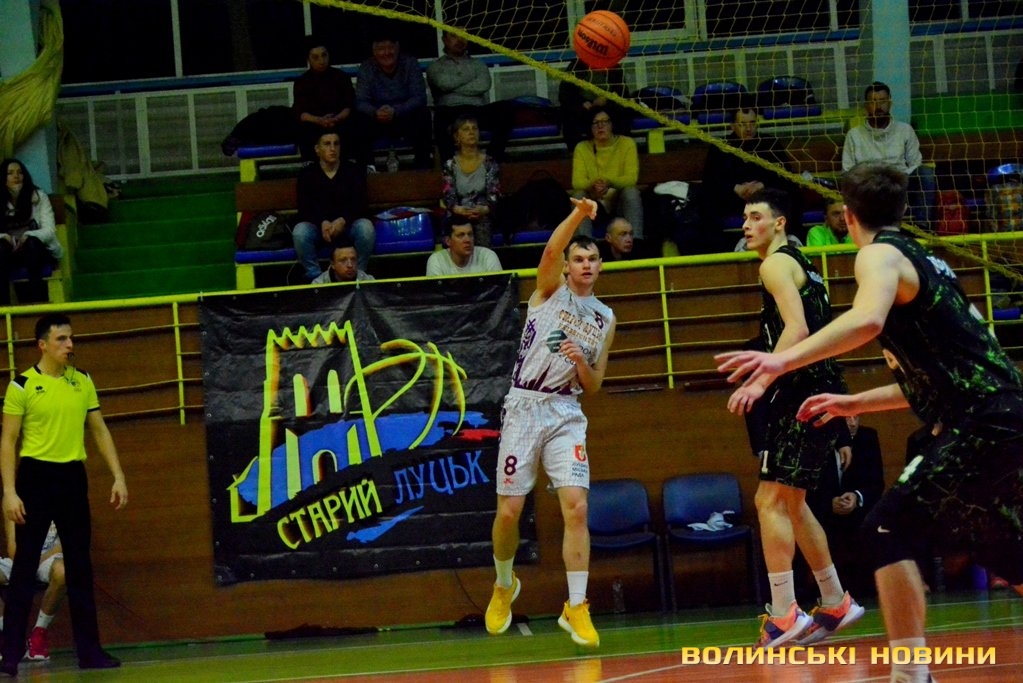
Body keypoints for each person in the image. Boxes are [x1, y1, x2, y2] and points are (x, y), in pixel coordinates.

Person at [717, 162, 1023, 683]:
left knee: (885, 528)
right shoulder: (924, 260)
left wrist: (778, 362)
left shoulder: (878, 254)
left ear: (849, 216)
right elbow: (932, 382)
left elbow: (866, 320)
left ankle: (910, 673)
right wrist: (852, 402)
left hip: (983, 419)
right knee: (1003, 550)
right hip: (999, 412)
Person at [724, 188, 864, 649]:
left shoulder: (774, 264)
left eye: (756, 216)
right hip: (819, 387)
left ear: (779, 223)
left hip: (799, 392)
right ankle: (835, 600)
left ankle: (784, 613)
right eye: (744, 217)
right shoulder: (805, 264)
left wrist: (761, 380)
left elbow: (798, 328)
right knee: (793, 502)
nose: (747, 225)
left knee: (769, 501)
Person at [485, 197, 616, 649]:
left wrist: (581, 362)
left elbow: (594, 384)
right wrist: (579, 214)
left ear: (600, 266)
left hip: (565, 412)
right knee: (509, 512)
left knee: (576, 507)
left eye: (592, 259)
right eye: (578, 259)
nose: (585, 265)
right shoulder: (547, 291)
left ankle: (576, 605)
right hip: (524, 406)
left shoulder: (605, 318)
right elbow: (548, 251)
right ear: (567, 266)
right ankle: (505, 583)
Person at [0, 313, 128, 675]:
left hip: (72, 476)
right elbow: (8, 441)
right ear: (42, 345)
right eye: (61, 339)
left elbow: (99, 429)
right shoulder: (22, 386)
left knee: (79, 565)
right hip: (35, 477)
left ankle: (90, 652)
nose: (69, 345)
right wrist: (9, 491)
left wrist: (118, 475)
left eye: (71, 338)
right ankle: (10, 655)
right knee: (24, 567)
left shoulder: (82, 380)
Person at [804, 416, 885, 600]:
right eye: (847, 418)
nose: (853, 423)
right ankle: (820, 589)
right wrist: (829, 503)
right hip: (822, 511)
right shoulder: (815, 440)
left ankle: (868, 586)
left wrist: (857, 496)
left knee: (874, 522)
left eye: (856, 416)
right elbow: (804, 489)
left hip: (859, 510)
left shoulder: (868, 437)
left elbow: (876, 483)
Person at [701, 106, 803, 250]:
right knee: (707, 201)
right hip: (734, 200)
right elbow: (711, 180)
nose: (748, 128)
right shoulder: (720, 147)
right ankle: (718, 250)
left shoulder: (770, 143)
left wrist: (762, 186)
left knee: (791, 193)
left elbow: (786, 175)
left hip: (767, 198)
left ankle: (790, 239)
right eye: (743, 124)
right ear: (732, 126)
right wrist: (735, 188)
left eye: (752, 123)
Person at [842, 82, 936, 230]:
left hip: (900, 185)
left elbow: (915, 163)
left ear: (890, 103)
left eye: (883, 101)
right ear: (866, 106)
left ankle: (922, 228)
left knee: (926, 173)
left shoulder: (905, 130)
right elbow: (847, 170)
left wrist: (896, 178)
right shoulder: (854, 135)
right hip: (869, 188)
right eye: (873, 101)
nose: (878, 106)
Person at [292, 132, 375, 282]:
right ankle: (316, 277)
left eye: (336, 144)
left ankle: (359, 274)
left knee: (366, 228)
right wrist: (322, 222)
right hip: (320, 229)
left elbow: (360, 204)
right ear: (317, 149)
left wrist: (343, 220)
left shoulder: (353, 170)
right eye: (327, 144)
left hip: (348, 226)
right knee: (300, 232)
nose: (332, 148)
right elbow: (305, 208)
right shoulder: (307, 174)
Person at [426, 30, 515, 163]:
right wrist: (471, 77)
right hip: (450, 111)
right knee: (440, 119)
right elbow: (443, 84)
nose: (460, 39)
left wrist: (453, 87)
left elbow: (483, 85)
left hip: (477, 110)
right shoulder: (435, 66)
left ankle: (491, 161)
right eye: (454, 35)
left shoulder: (478, 64)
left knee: (506, 108)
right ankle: (450, 167)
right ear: (444, 40)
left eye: (463, 35)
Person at [353, 32, 433, 170]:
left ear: (397, 47)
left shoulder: (410, 63)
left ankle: (422, 169)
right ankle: (368, 170)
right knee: (359, 120)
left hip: (404, 116)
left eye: (390, 48)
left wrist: (396, 111)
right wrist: (375, 112)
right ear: (374, 51)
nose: (386, 53)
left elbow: (419, 97)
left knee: (423, 115)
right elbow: (360, 101)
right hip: (377, 119)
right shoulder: (366, 68)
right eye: (381, 49)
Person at [571, 108, 643, 240]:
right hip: (594, 207)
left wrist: (608, 182)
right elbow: (577, 182)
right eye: (595, 123)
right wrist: (595, 183)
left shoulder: (627, 144)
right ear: (590, 127)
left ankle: (636, 242)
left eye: (605, 122)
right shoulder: (582, 147)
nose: (600, 126)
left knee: (631, 193)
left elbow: (631, 179)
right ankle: (583, 245)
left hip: (618, 203)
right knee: (579, 195)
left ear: (612, 124)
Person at [0, 520, 67, 661]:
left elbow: (68, 543)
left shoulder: (65, 505)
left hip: (49, 559)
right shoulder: (13, 505)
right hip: (19, 561)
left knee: (63, 572)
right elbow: (12, 546)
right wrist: (27, 564)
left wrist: (36, 561)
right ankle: (5, 631)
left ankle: (38, 633)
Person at [1, 159, 64, 305]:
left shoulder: (39, 197)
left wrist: (28, 235)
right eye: (10, 173)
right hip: (8, 253)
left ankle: (36, 303)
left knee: (32, 244)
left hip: (36, 251)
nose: (16, 176)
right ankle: (3, 307)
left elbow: (49, 230)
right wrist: (4, 237)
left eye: (20, 172)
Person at [292, 36, 357, 161]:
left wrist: (337, 119)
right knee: (302, 129)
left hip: (339, 121)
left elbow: (349, 105)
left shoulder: (341, 77)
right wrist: (319, 120)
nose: (321, 61)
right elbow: (300, 113)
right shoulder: (302, 82)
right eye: (315, 57)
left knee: (355, 123)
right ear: (308, 59)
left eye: (324, 55)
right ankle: (310, 165)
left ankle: (351, 164)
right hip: (315, 124)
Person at [441, 115, 502, 247]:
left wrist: (484, 209)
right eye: (466, 129)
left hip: (483, 213)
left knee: (483, 225)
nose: (471, 132)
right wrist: (458, 209)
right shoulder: (450, 165)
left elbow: (494, 194)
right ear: (457, 136)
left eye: (474, 128)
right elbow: (448, 194)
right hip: (458, 213)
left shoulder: (489, 163)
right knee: (456, 228)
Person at [558, 58, 631, 152]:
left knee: (623, 112)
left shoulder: (614, 66)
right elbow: (564, 95)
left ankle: (621, 150)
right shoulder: (576, 66)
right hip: (584, 108)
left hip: (608, 106)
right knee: (569, 116)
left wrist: (607, 99)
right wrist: (582, 103)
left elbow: (623, 93)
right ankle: (576, 152)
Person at [426, 216, 503, 277]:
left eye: (470, 234)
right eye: (461, 235)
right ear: (448, 241)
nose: (468, 240)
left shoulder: (488, 256)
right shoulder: (437, 260)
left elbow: (499, 290)